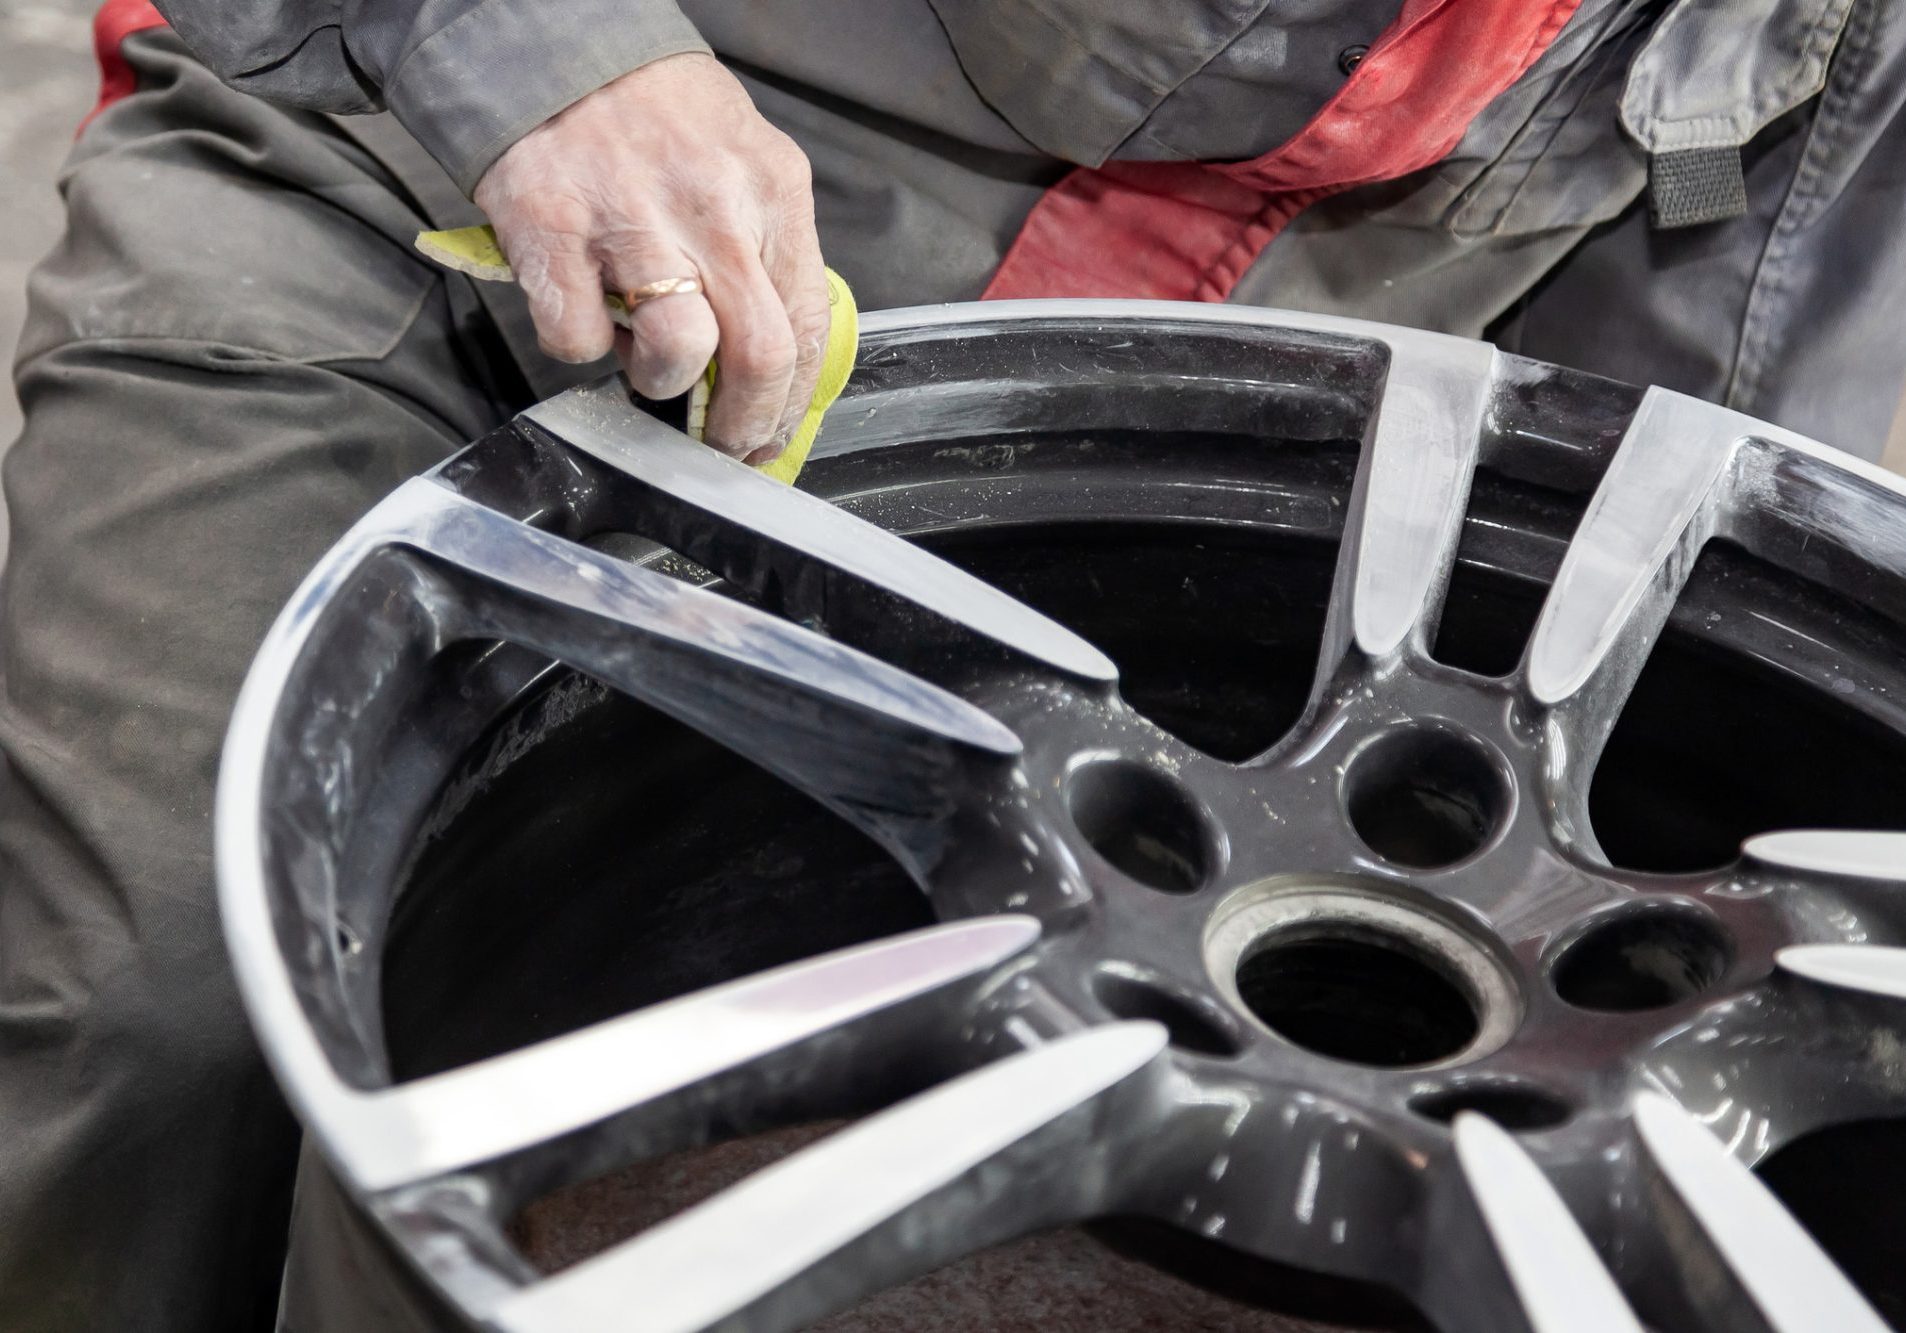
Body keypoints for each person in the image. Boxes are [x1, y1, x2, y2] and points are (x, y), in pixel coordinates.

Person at [3, 0, 1904, 1328]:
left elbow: (1747, 380)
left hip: (1119, 433)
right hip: (447, 202)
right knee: (159, 1020)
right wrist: (535, 50)